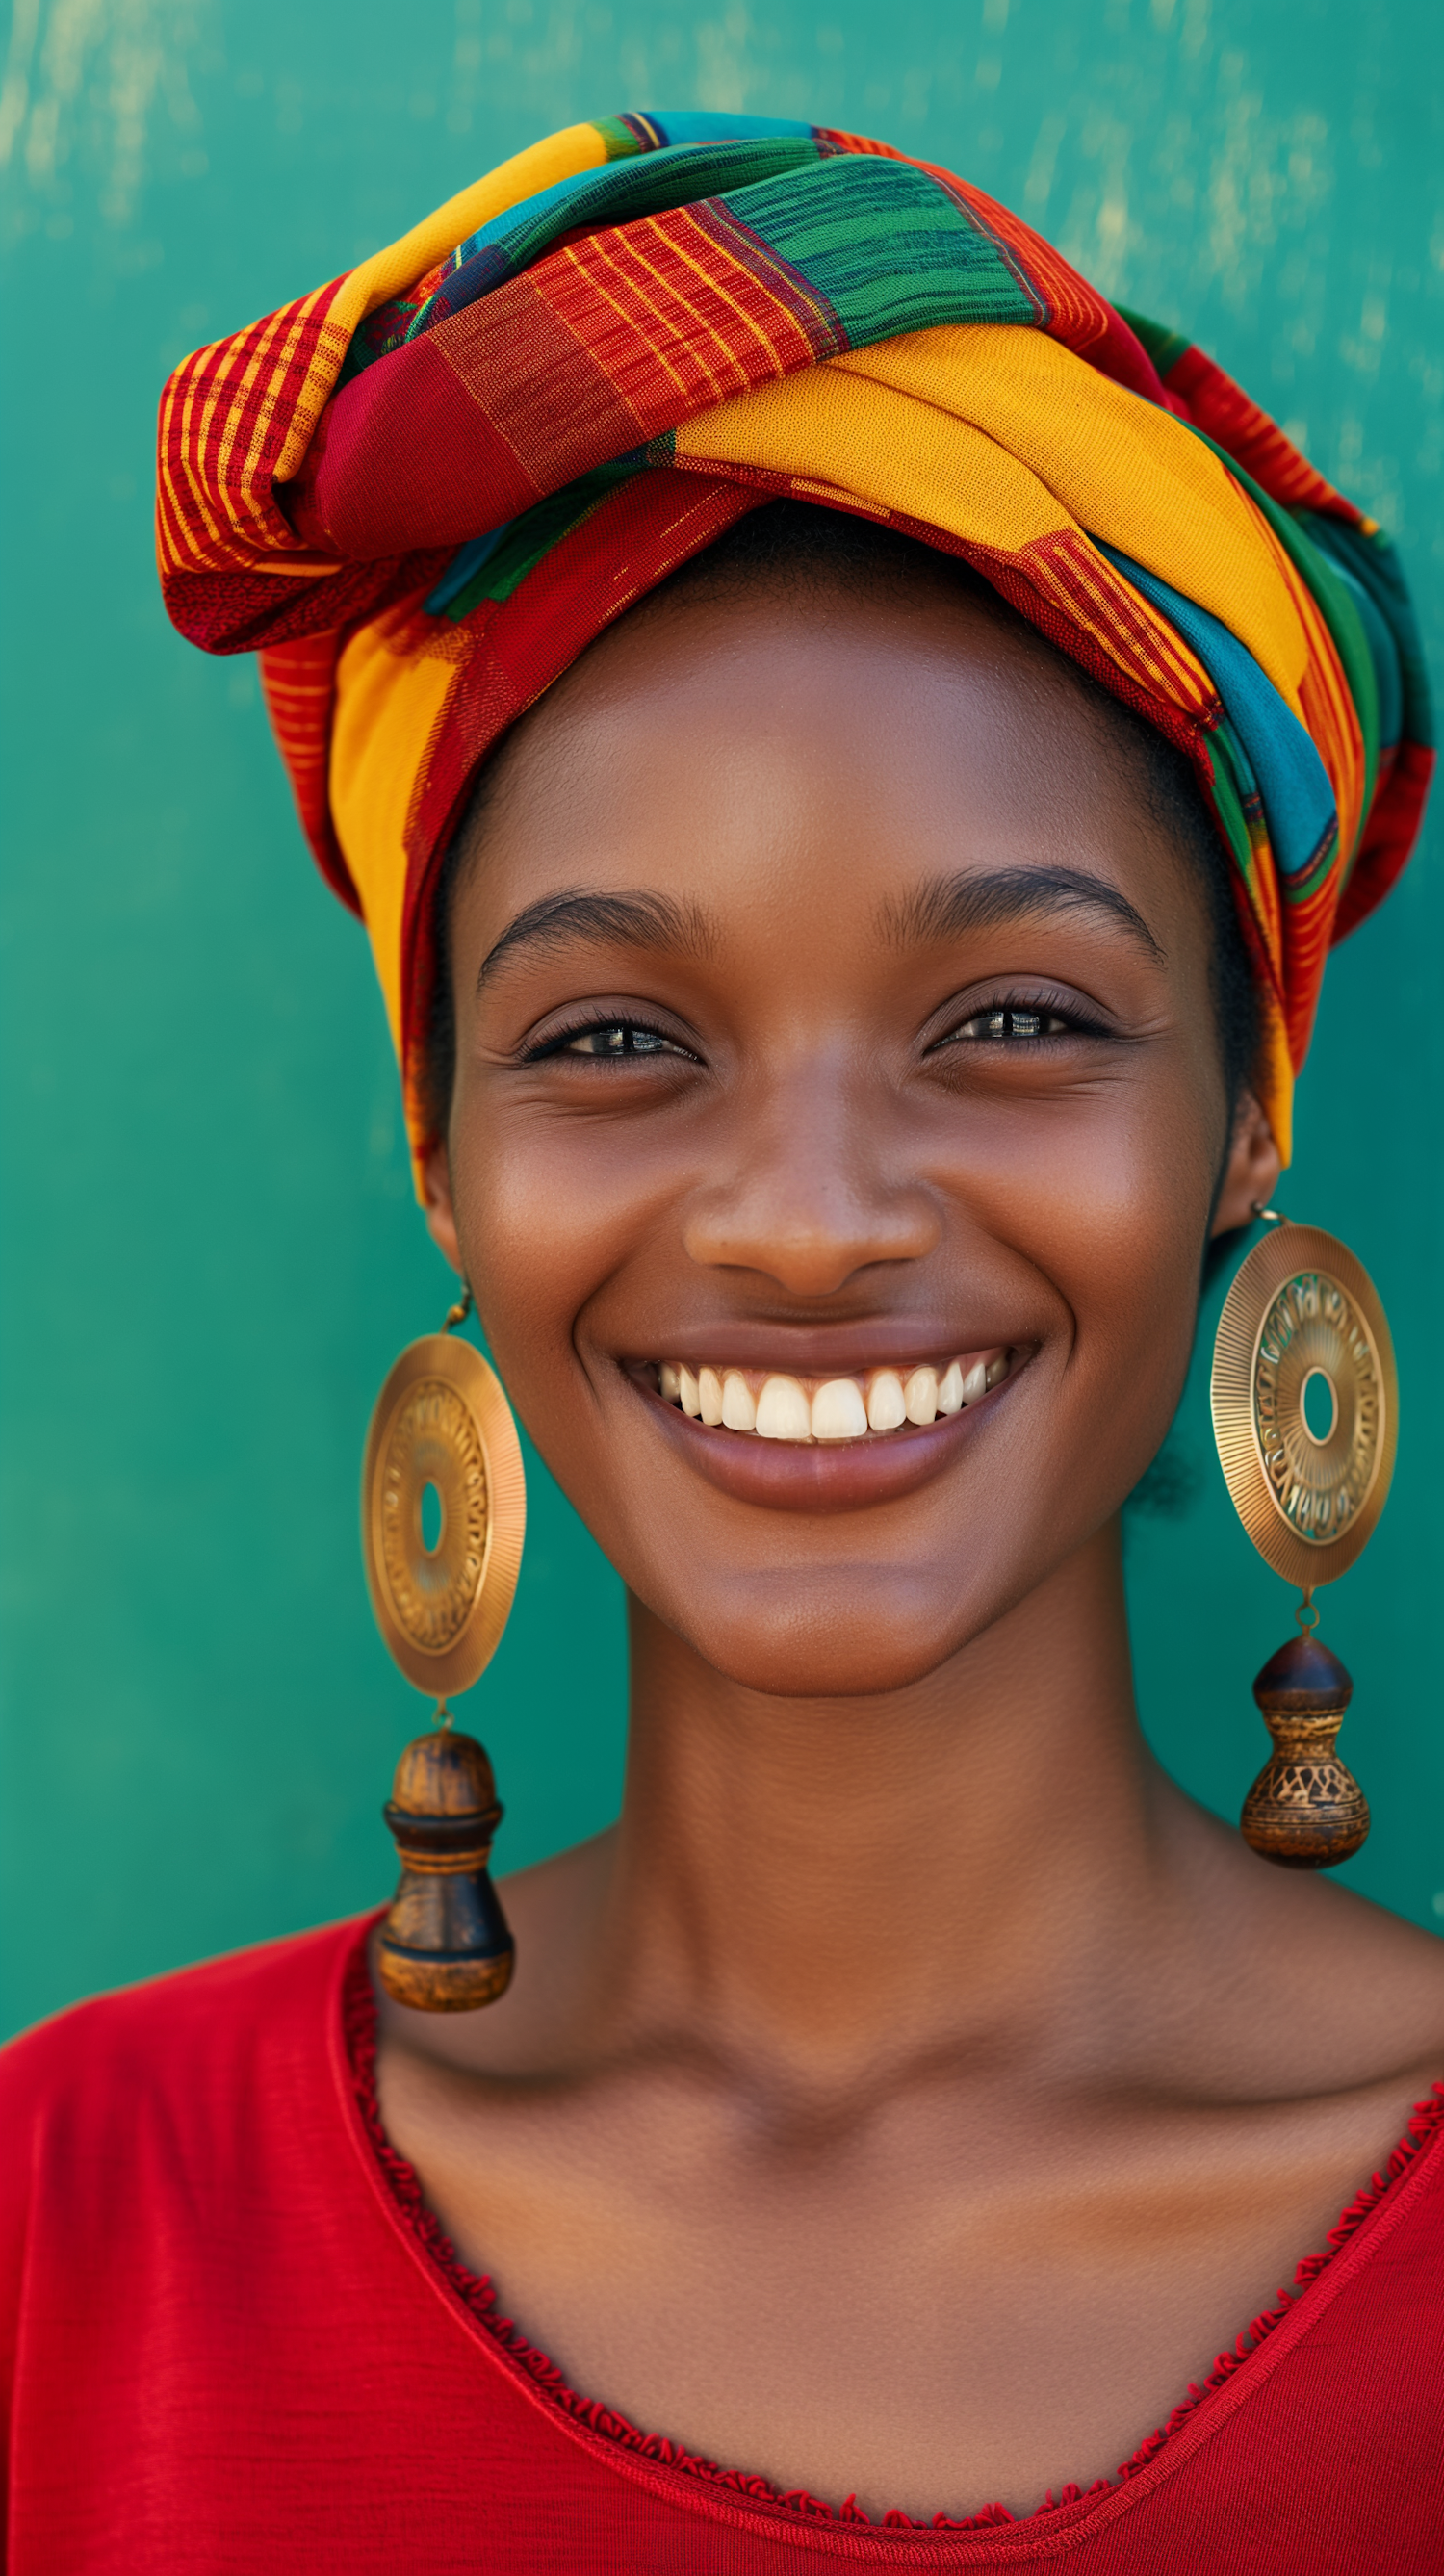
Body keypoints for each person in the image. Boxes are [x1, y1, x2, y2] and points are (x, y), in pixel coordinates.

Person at [3, 112, 1440, 2571]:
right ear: (445, 1157)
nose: (801, 1228)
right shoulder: (66, 2231)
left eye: (1006, 1017)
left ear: (1242, 1119)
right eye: (612, 1041)